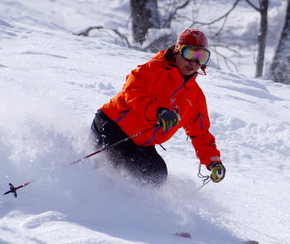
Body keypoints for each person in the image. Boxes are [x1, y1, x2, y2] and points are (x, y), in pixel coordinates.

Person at [90, 29, 226, 187]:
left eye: (201, 57)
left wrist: (213, 162)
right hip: (112, 126)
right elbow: (133, 91)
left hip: (140, 143)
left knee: (156, 174)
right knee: (108, 167)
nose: (194, 62)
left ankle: (135, 208)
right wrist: (158, 112)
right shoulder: (153, 69)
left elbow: (200, 133)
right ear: (177, 50)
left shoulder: (195, 97)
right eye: (190, 54)